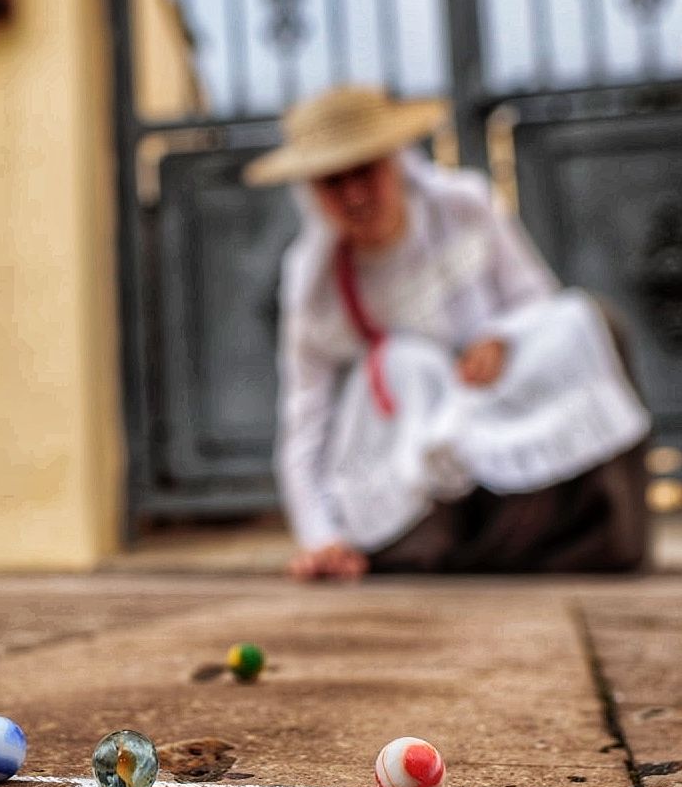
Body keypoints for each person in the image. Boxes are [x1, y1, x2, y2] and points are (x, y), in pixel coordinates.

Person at [243, 85, 653, 581]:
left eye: (365, 172)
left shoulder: (464, 205)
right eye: (333, 182)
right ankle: (442, 545)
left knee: (586, 323)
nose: (354, 195)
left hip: (496, 406)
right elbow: (305, 421)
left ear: (395, 161)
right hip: (419, 446)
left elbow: (538, 303)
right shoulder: (315, 282)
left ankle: (582, 534)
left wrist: (502, 337)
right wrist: (321, 538)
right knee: (405, 364)